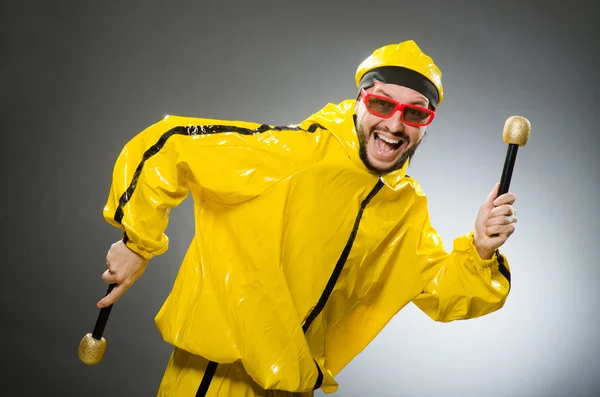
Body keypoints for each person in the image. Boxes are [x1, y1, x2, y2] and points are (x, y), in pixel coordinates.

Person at [98, 40, 517, 396]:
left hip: (293, 384)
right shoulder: (294, 153)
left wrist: (480, 250)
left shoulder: (404, 207)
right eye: (382, 103)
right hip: (218, 373)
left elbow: (439, 290)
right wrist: (138, 242)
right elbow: (168, 145)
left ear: (427, 125)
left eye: (415, 113)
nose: (394, 123)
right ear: (359, 102)